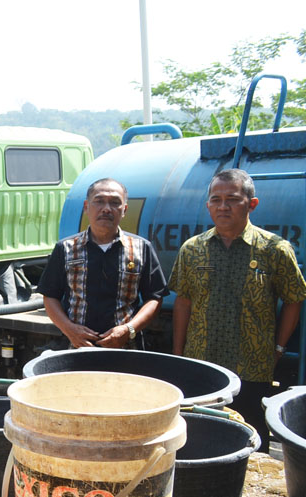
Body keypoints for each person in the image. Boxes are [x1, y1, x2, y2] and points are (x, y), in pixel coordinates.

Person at [170, 168, 306, 442]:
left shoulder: (275, 250)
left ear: (251, 204)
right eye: (215, 199)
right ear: (208, 205)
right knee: (199, 436)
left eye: (232, 199)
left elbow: (294, 299)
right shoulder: (192, 249)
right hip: (201, 363)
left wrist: (278, 348)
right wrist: (178, 353)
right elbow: (183, 302)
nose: (223, 206)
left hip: (253, 366)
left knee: (251, 436)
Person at [39, 178, 168, 349]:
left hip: (125, 348)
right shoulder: (66, 248)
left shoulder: (141, 248)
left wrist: (128, 330)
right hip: (77, 348)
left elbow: (154, 298)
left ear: (124, 210)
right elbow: (50, 296)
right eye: (99, 201)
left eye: (115, 203)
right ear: (86, 207)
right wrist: (69, 330)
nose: (106, 209)